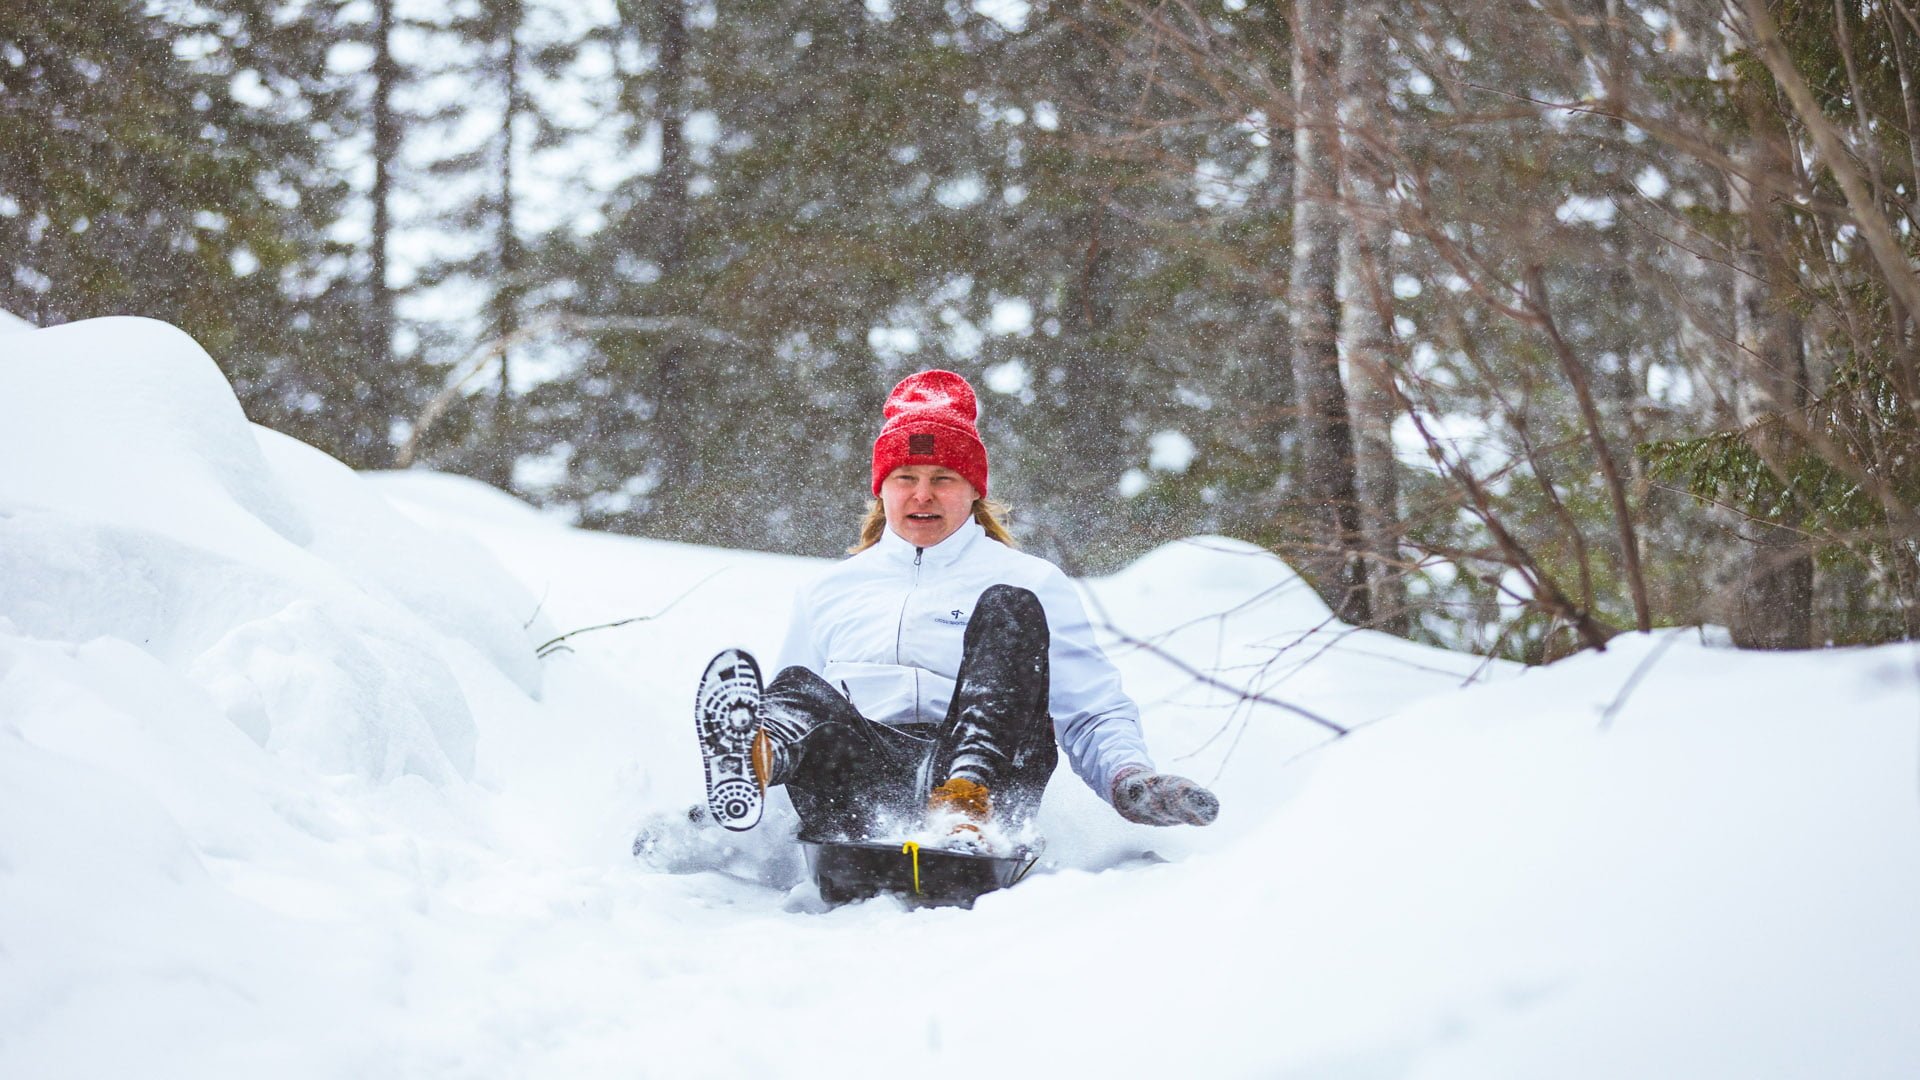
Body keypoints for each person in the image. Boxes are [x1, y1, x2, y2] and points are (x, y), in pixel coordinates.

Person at [696, 369, 1218, 851]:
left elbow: (1089, 708)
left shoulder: (1029, 581)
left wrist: (1129, 779)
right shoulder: (830, 589)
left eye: (943, 477)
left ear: (973, 490)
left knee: (1007, 610)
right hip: (859, 783)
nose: (923, 494)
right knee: (796, 686)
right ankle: (752, 766)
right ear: (882, 490)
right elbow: (802, 710)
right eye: (906, 477)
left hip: (989, 778)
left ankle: (963, 805)